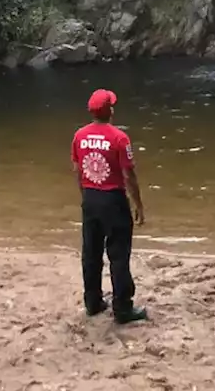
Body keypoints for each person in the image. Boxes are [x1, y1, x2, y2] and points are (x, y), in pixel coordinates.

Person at [71, 88, 147, 324]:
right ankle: (122, 307)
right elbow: (129, 174)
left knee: (91, 253)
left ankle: (92, 302)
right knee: (118, 254)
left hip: (91, 197)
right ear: (109, 111)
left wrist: (85, 195)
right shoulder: (119, 138)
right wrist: (139, 204)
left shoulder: (79, 136)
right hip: (113, 199)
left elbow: (77, 170)